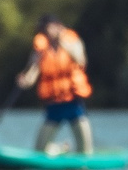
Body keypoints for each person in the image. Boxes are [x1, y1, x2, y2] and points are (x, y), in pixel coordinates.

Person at [14, 16, 94, 155]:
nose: (45, 33)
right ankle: (61, 149)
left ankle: (81, 157)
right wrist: (25, 81)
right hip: (53, 105)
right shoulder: (41, 49)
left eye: (47, 29)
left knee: (85, 148)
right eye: (43, 31)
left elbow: (81, 60)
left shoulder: (72, 41)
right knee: (39, 149)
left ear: (58, 27)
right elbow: (33, 72)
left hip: (73, 102)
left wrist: (62, 43)